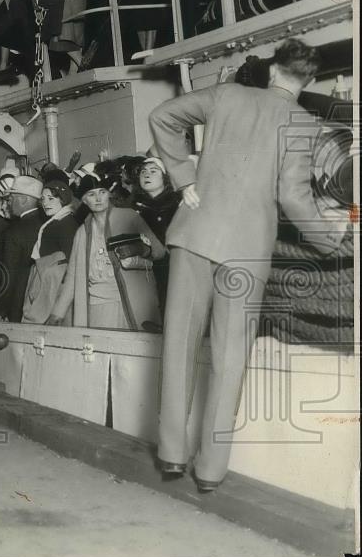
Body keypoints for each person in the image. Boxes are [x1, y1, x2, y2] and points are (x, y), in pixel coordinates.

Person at [150, 39, 350, 492]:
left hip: (195, 233)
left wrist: (183, 178)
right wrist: (329, 239)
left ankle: (170, 454)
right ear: (309, 80)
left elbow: (163, 116)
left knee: (180, 342)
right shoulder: (303, 122)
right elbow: (293, 199)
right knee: (230, 357)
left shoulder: (226, 95)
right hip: (246, 249)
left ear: (272, 69)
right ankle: (210, 471)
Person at [47, 172, 166, 330]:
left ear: (109, 194)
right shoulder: (82, 233)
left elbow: (159, 251)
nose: (97, 198)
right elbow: (72, 278)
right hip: (97, 308)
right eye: (91, 194)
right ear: (84, 200)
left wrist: (139, 248)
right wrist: (57, 314)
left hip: (130, 305)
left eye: (102, 192)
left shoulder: (129, 217)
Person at [22, 180, 79, 323]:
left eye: (51, 198)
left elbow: (72, 263)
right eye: (43, 199)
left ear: (63, 199)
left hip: (55, 288)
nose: (45, 203)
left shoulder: (65, 224)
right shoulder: (58, 221)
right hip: (47, 283)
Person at [131, 155, 180, 317]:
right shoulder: (132, 208)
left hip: (173, 272)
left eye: (153, 171)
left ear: (165, 178)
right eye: (143, 171)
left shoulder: (178, 205)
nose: (146, 174)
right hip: (141, 274)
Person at [0, 176, 45, 322]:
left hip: (19, 301)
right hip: (41, 299)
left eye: (11, 199)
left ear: (24, 200)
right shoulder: (46, 223)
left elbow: (9, 274)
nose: (8, 204)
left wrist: (2, 309)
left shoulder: (14, 231)